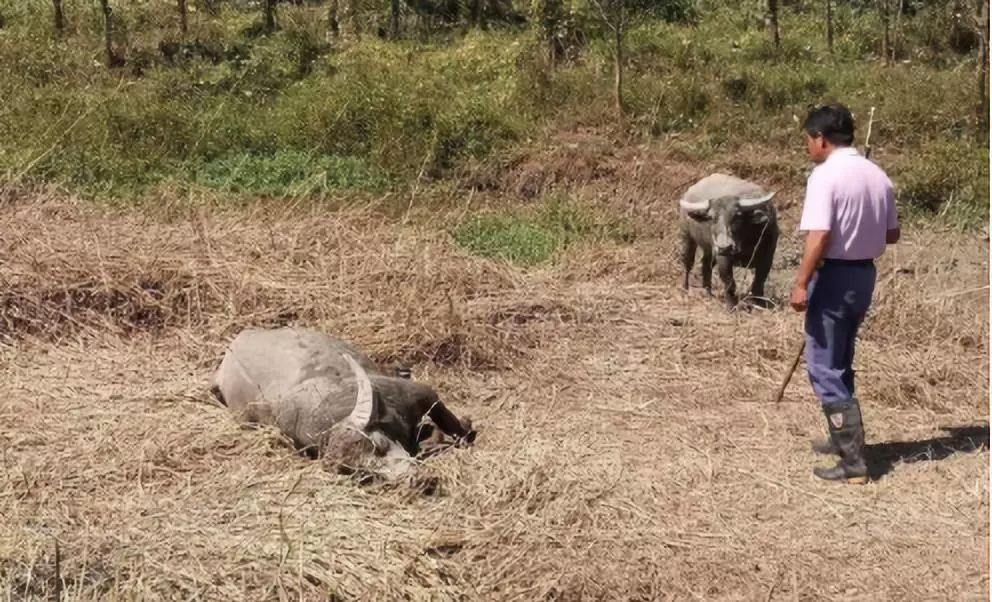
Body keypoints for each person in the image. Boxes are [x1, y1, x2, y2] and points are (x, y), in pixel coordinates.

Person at [790, 103, 900, 484]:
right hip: (863, 277)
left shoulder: (825, 177)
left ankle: (853, 462)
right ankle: (842, 439)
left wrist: (802, 282)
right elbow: (892, 234)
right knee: (841, 358)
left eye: (808, 139)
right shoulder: (877, 175)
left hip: (834, 277)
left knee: (823, 365)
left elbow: (819, 235)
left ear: (821, 139)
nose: (808, 146)